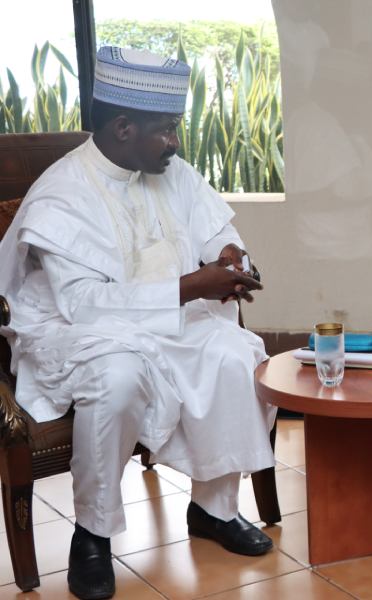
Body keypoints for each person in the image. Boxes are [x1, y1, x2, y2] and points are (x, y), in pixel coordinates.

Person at [0, 47, 277, 600]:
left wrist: (229, 256)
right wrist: (192, 287)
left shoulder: (171, 171)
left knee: (232, 355)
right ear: (124, 127)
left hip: (171, 317)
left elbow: (216, 232)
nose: (176, 142)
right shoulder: (61, 192)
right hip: (81, 329)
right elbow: (81, 304)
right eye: (167, 129)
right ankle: (93, 535)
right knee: (119, 377)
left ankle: (213, 510)